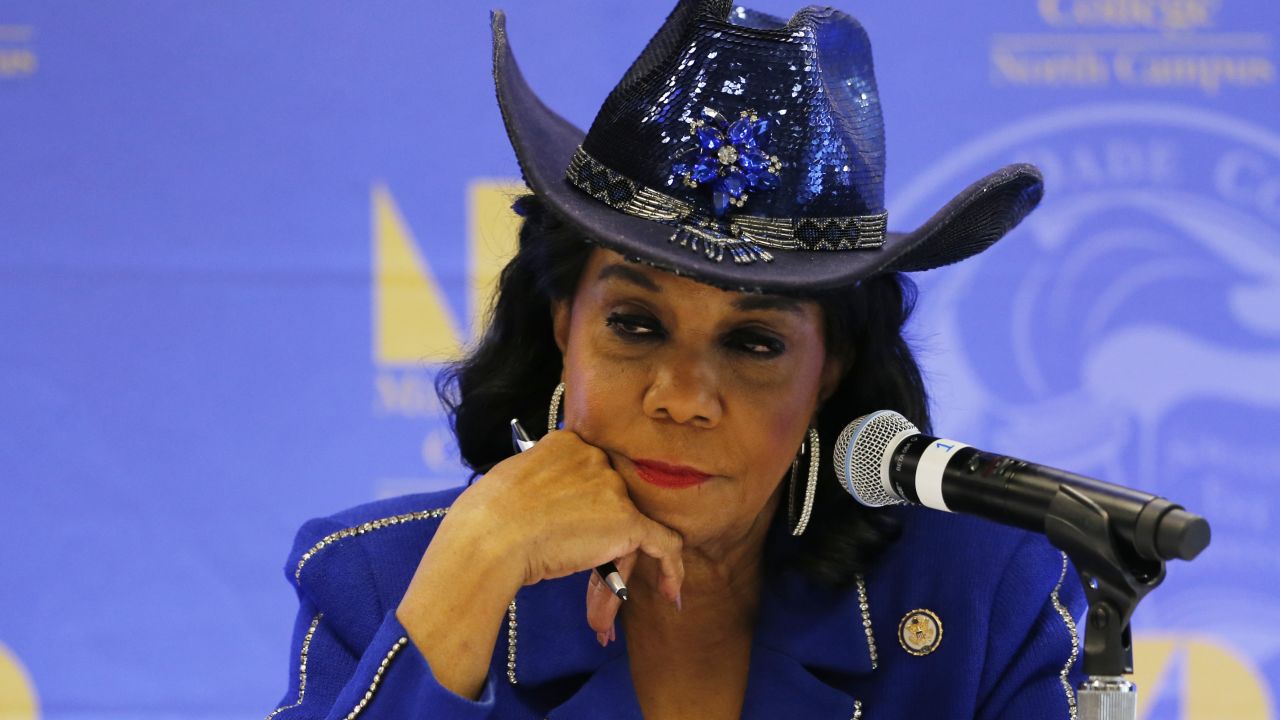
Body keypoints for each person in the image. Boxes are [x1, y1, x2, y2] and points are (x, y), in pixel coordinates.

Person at [264, 2, 1084, 718]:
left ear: (828, 369)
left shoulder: (982, 598)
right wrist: (477, 558)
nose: (684, 397)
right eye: (636, 324)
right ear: (562, 321)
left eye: (754, 343)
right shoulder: (377, 579)